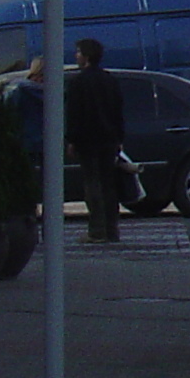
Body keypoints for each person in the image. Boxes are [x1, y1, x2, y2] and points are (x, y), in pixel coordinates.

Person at [65, 38, 127, 243]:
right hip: (109, 139)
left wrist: (71, 139)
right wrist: (119, 137)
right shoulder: (109, 80)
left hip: (88, 139)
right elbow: (118, 110)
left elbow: (74, 113)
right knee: (108, 184)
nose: (76, 56)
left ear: (87, 56)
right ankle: (112, 229)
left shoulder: (78, 82)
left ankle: (96, 229)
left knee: (92, 184)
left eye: (78, 52)